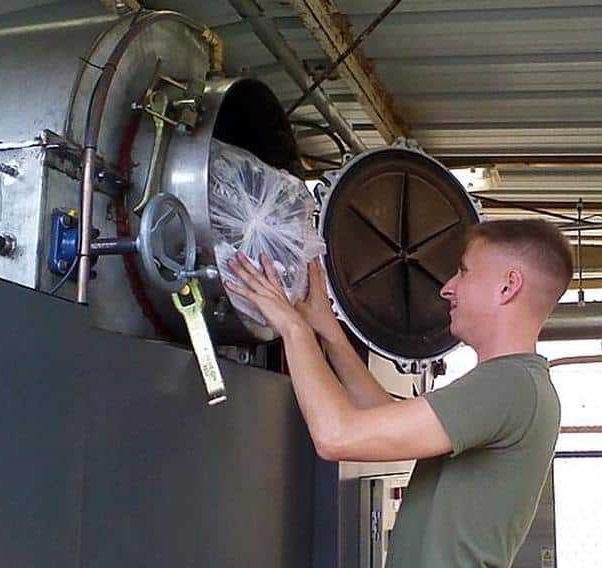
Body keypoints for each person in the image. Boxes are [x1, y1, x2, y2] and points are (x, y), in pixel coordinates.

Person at [224, 218, 573, 568]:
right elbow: (382, 417)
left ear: (507, 286)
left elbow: (336, 436)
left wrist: (293, 329)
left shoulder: (507, 386)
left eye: (463, 272)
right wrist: (329, 332)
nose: (447, 288)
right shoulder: (518, 385)